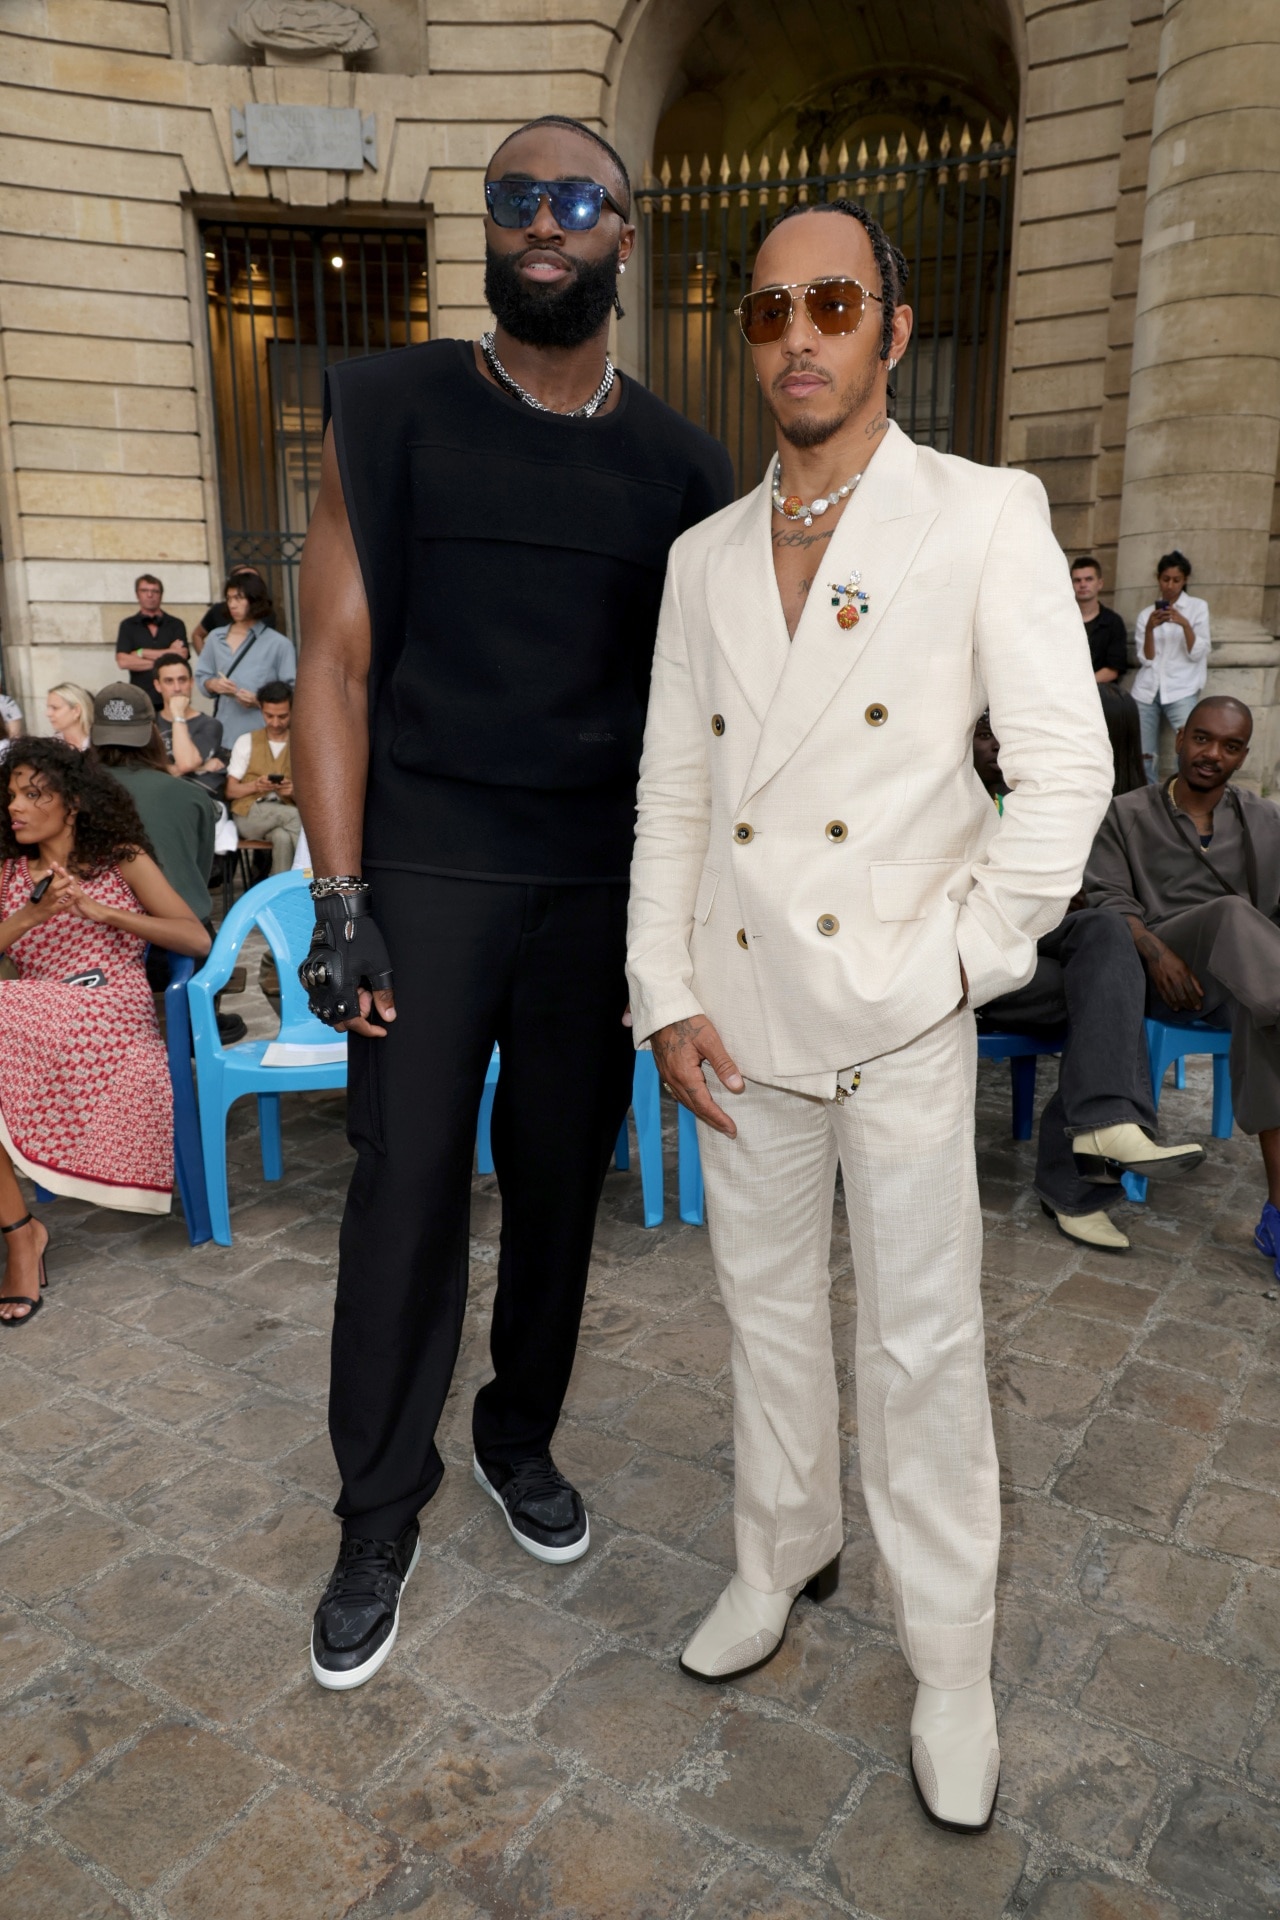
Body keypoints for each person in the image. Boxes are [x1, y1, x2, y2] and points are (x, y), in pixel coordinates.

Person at [626, 196, 1114, 1831]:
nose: (800, 336)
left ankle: (953, 1664)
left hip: (903, 1019)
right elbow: (676, 797)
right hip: (746, 1024)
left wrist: (961, 960)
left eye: (831, 302)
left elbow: (1065, 773)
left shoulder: (980, 517)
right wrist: (664, 991)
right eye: (768, 312)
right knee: (764, 1322)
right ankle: (781, 1555)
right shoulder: (703, 556)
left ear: (893, 331)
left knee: (924, 1354)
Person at [294, 113, 733, 1693]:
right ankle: (375, 1509)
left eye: (578, 200)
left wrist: (680, 929)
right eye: (516, 200)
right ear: (490, 226)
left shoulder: (686, 464)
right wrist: (343, 898)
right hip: (427, 866)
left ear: (628, 230)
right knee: (404, 1192)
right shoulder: (396, 404)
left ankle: (515, 1435)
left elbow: (703, 717)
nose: (544, 222)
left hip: (598, 881)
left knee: (561, 1188)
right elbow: (333, 668)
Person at [0, 739, 211, 1322]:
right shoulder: (9, 874)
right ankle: (21, 1233)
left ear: (72, 803)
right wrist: (29, 917)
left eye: (32, 793)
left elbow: (195, 939)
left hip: (111, 1011)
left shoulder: (119, 854)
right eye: (11, 794)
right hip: (31, 1017)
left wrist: (105, 912)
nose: (15, 805)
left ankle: (21, 1240)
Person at [974, 719, 1202, 1252]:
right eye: (984, 731)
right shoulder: (937, 806)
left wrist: (1060, 893)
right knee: (1104, 996)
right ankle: (1079, 1179)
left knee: (1104, 933)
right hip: (963, 963)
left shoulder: (1025, 805)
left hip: (1028, 949)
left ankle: (1102, 1126)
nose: (998, 744)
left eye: (1003, 732)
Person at [1085, 694, 1280, 1275]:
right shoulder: (1125, 813)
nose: (1212, 754)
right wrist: (1153, 946)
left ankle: (1276, 1215)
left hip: (1249, 978)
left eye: (1230, 746)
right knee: (1230, 913)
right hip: (1158, 972)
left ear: (1244, 755)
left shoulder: (1265, 819)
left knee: (1264, 1016)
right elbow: (1106, 900)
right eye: (1202, 738)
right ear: (1179, 737)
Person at [194, 570, 295, 751]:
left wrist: (259, 701)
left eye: (239, 598)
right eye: (229, 598)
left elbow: (292, 695)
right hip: (224, 736)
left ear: (254, 599)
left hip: (264, 738)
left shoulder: (280, 644)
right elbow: (202, 676)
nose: (233, 604)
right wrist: (213, 684)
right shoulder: (216, 638)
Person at [1132, 550, 1210, 781]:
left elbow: (1198, 653)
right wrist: (1149, 629)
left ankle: (1182, 797)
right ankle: (1149, 798)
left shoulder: (1197, 607)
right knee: (1144, 754)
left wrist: (1185, 625)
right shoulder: (1146, 614)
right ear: (1159, 579)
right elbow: (1146, 659)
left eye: (1176, 580)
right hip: (1147, 691)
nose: (1170, 585)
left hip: (1182, 688)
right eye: (1166, 579)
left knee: (1189, 748)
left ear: (1184, 580)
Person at [226, 680, 301, 872]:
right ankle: (308, 877)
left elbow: (314, 796)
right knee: (295, 817)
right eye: (269, 716)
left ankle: (278, 896)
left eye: (282, 716)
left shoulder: (301, 744)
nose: (275, 722)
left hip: (283, 811)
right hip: (250, 813)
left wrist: (293, 791)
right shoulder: (246, 741)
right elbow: (231, 791)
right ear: (261, 710)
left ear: (292, 711)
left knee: (282, 838)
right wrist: (256, 786)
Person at [152, 652, 226, 797]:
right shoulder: (149, 724)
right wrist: (201, 766)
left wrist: (178, 715)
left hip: (200, 800)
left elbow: (186, 763)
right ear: (158, 685)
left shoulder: (210, 724)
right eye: (169, 681)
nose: (177, 688)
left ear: (191, 683)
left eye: (182, 680)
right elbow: (141, 771)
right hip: (159, 798)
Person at [115, 573, 189, 709]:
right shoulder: (127, 625)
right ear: (137, 594)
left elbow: (181, 655)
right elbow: (123, 661)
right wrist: (168, 654)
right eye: (145, 591)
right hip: (139, 697)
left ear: (161, 595)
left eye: (155, 591)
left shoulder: (176, 624)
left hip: (172, 696)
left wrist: (139, 653)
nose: (150, 595)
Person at [1070, 555, 1128, 684]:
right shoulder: (1061, 621)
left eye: (1089, 579)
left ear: (1100, 584)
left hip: (1100, 693)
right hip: (1062, 692)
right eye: (1077, 580)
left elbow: (1113, 669)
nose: (1083, 584)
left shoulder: (1113, 622)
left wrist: (1083, 685)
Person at [190, 563, 260, 654]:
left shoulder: (268, 615)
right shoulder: (218, 613)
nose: (233, 605)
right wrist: (206, 661)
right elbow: (197, 635)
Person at [46, 684, 93, 752]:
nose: (48, 714)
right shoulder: (50, 748)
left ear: (76, 711)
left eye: (55, 708)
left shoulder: (100, 746)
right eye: (48, 708)